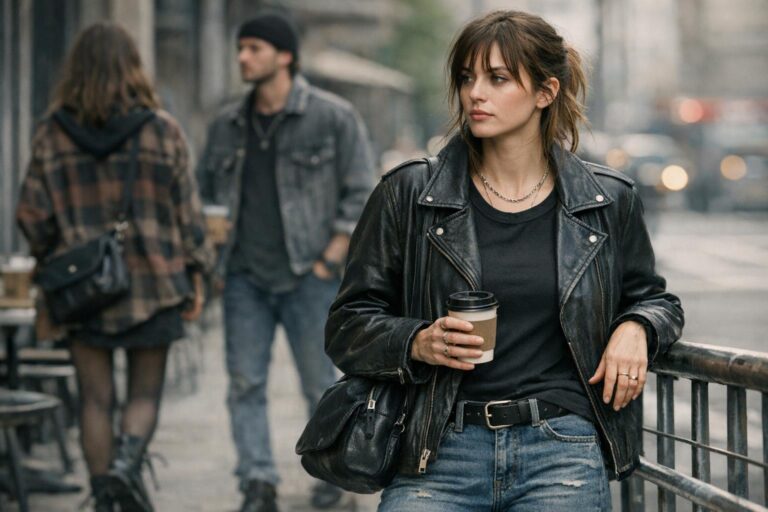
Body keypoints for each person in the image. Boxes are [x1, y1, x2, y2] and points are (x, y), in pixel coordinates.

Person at [325, 10, 684, 511]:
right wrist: (418, 341)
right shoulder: (409, 193)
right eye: (468, 78)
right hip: (439, 447)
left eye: (497, 79)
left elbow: (656, 299)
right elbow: (346, 325)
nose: (475, 93)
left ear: (545, 92)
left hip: (560, 447)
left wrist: (638, 326)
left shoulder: (605, 200)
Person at [16, 22, 213, 512]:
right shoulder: (162, 129)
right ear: (133, 67)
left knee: (95, 401)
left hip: (83, 291)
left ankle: (105, 494)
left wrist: (53, 260)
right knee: (144, 397)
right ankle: (125, 472)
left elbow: (32, 215)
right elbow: (189, 214)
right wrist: (198, 273)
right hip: (155, 284)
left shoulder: (51, 132)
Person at [196, 12, 376, 512]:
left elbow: (362, 190)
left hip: (309, 276)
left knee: (321, 383)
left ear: (285, 56)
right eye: (240, 48)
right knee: (244, 384)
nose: (242, 57)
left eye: (253, 48)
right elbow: (205, 192)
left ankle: (331, 474)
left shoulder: (332, 117)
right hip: (243, 278)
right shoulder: (227, 125)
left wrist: (330, 257)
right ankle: (257, 481)